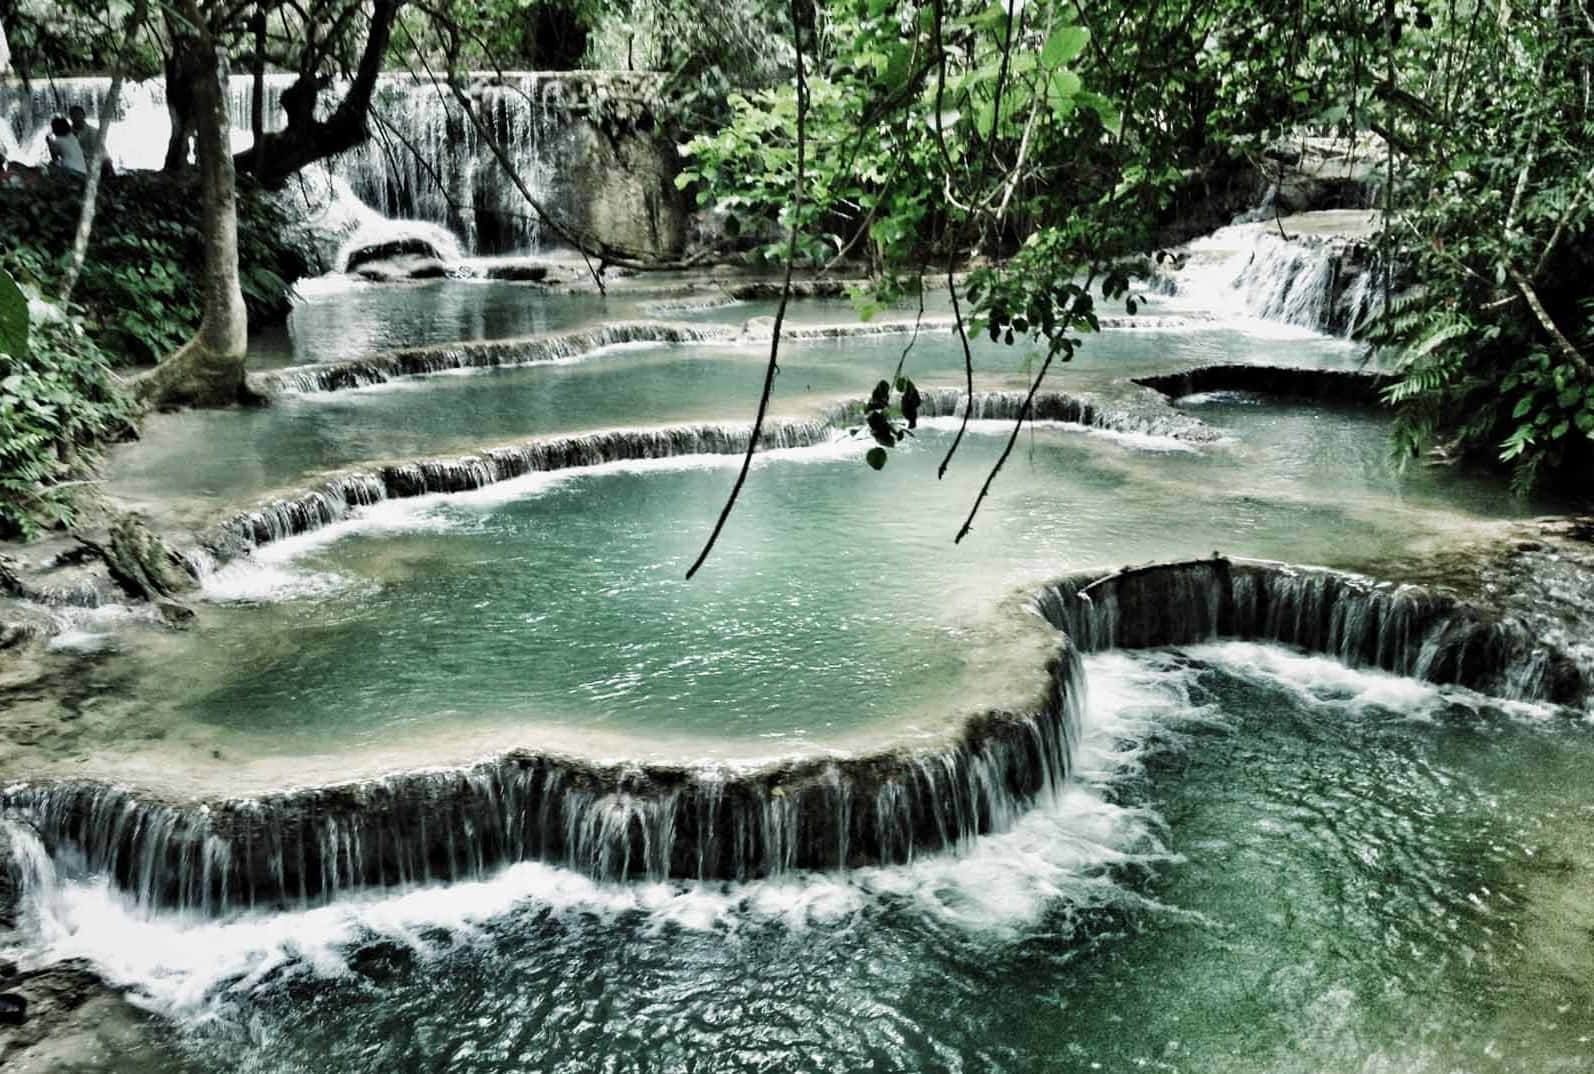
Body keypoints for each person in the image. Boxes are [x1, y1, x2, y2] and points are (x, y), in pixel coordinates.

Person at [68, 104, 112, 177]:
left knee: (106, 163)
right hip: (74, 164)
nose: (76, 118)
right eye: (73, 115)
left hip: (92, 162)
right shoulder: (67, 133)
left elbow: (102, 151)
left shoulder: (93, 132)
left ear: (84, 116)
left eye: (78, 115)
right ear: (71, 118)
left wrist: (106, 161)